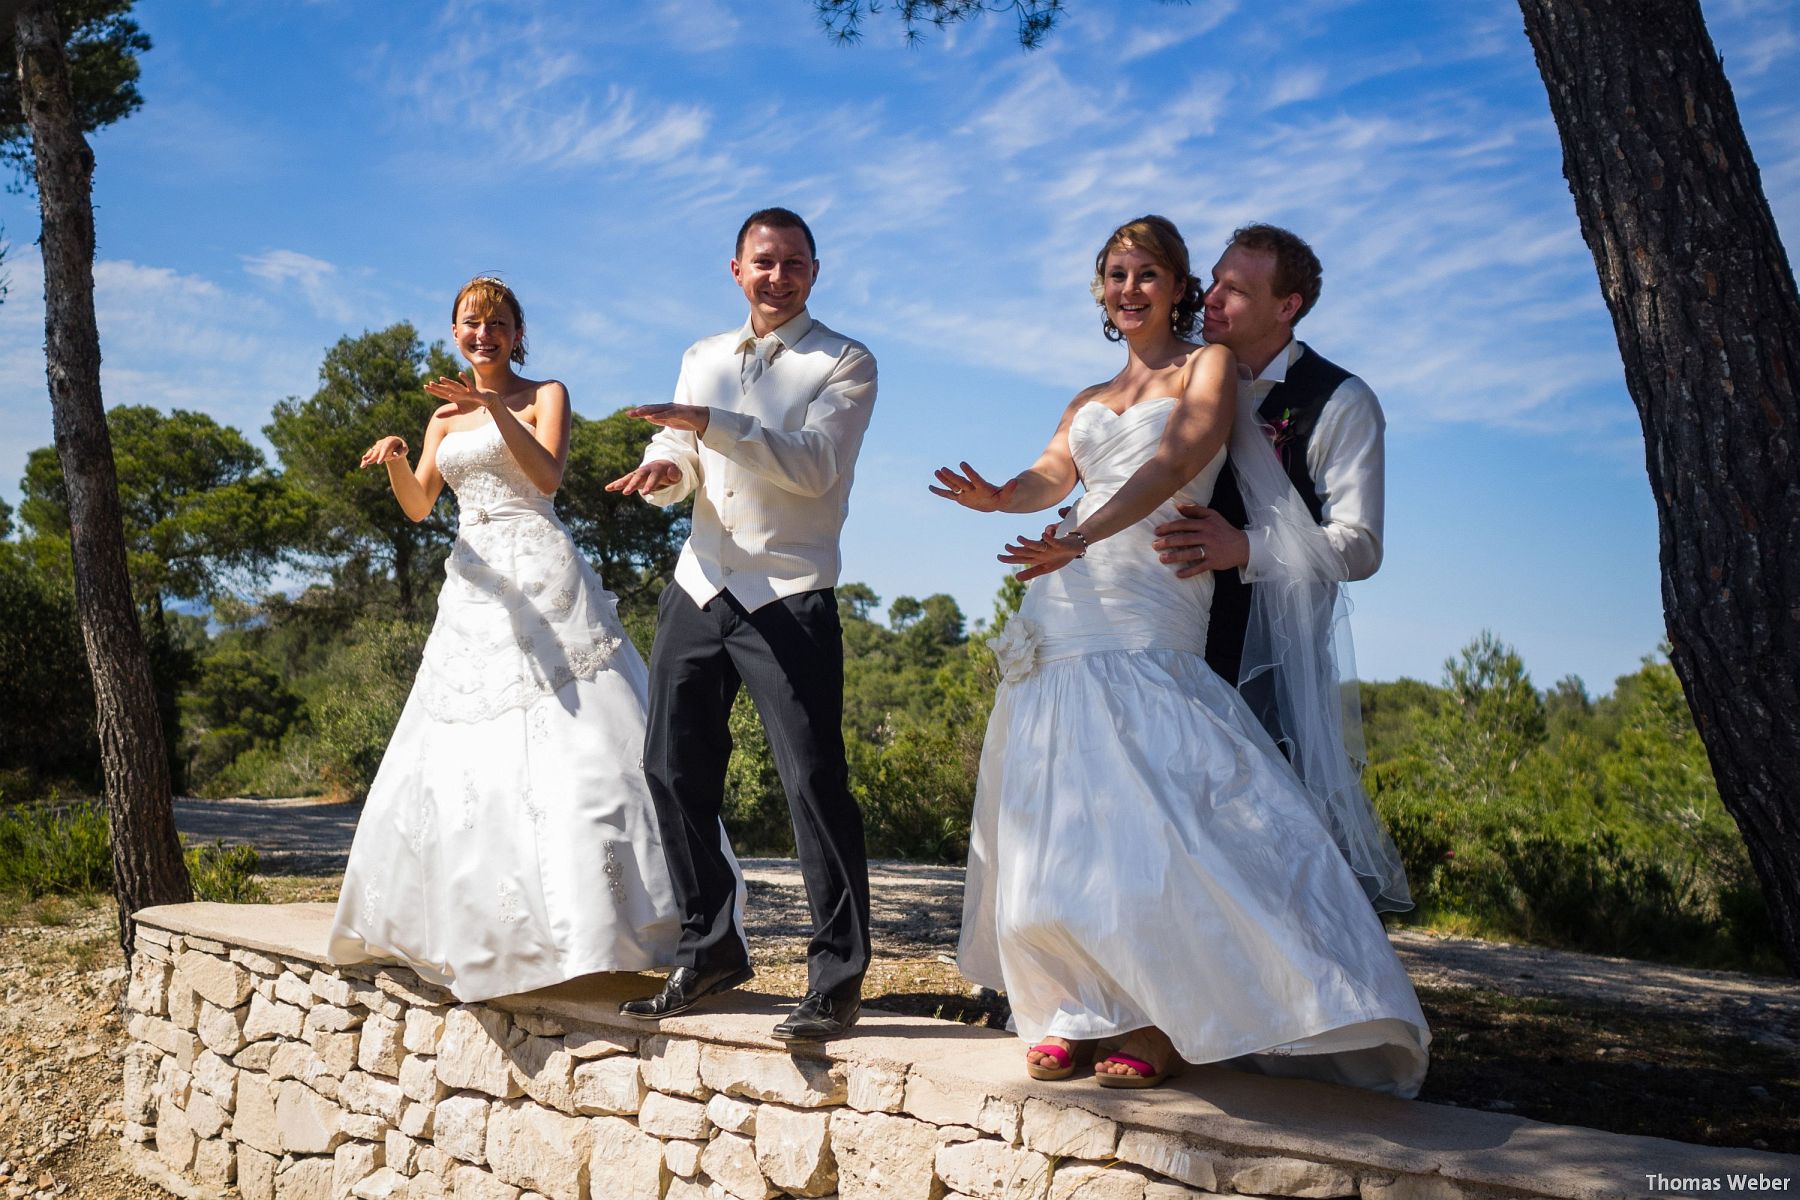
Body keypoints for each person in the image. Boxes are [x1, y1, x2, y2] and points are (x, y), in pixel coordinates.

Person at [938, 216, 1428, 1094]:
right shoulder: (1089, 395)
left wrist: (1083, 534)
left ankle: (1180, 1017)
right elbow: (1053, 473)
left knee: (1174, 819)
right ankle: (1076, 1005)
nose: (1135, 289)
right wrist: (1001, 498)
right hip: (1069, 598)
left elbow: (1178, 460)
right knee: (1064, 814)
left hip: (1167, 604)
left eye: (1153, 275)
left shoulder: (1247, 379)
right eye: (1115, 274)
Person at [328, 276, 681, 1002]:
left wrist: (493, 407)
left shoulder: (545, 393)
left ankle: (608, 928)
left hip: (545, 575)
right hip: (475, 584)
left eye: (495, 323)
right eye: (469, 323)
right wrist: (397, 455)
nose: (481, 333)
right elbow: (422, 506)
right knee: (463, 755)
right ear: (454, 331)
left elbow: (548, 477)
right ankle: (483, 929)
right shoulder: (441, 422)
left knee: (577, 746)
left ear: (517, 333)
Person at [607, 208, 878, 1042]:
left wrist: (708, 427)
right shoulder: (701, 357)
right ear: (737, 269)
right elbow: (683, 456)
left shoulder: (846, 361)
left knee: (812, 781)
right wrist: (665, 467)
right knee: (670, 767)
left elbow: (814, 465)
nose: (778, 275)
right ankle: (711, 947)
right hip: (699, 584)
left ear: (814, 272)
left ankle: (836, 978)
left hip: (788, 591)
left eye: (794, 263)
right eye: (764, 262)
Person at [1152, 224, 1384, 696]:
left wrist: (1245, 548)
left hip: (1260, 670)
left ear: (1287, 306)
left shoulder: (1342, 401)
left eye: (1235, 290)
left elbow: (1360, 547)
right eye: (1215, 280)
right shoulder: (1172, 372)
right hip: (1153, 637)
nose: (1210, 298)